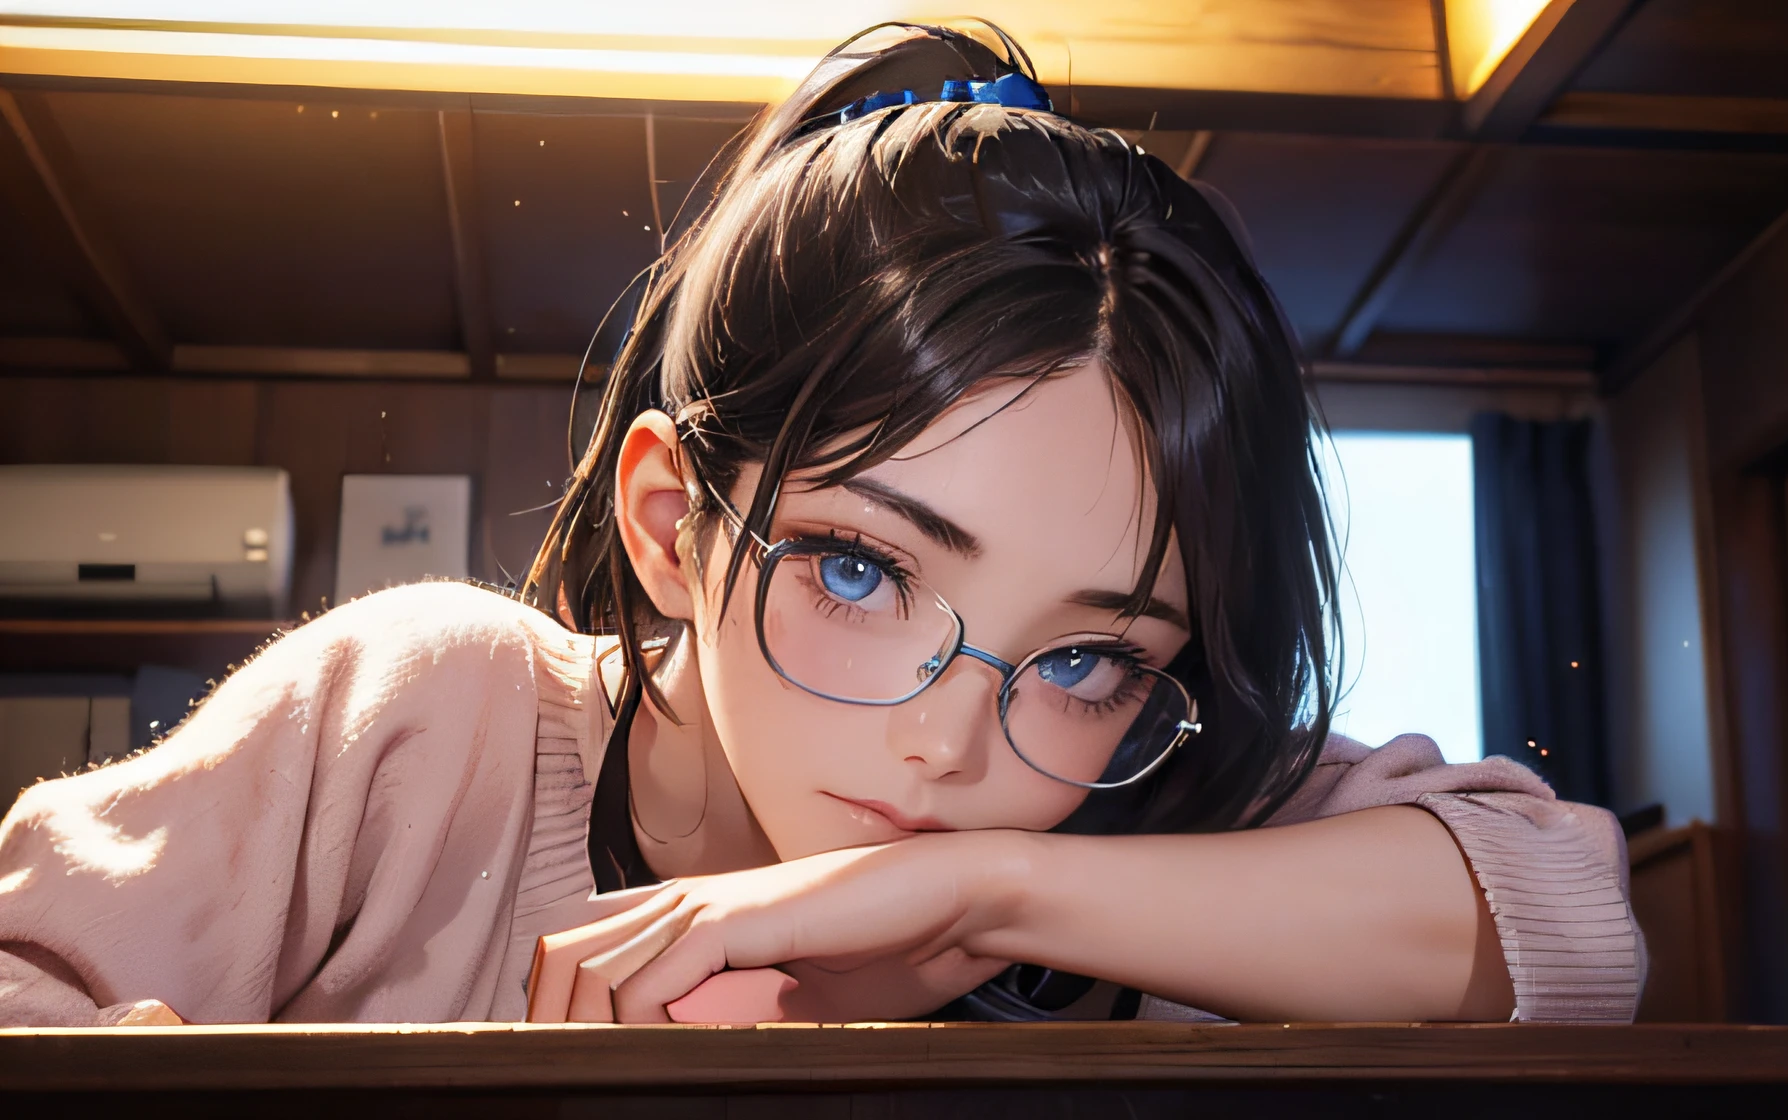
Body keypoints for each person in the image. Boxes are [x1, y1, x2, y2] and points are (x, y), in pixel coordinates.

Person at [0, 24, 1641, 1028]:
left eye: (1085, 652)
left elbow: (1566, 928)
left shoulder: (1139, 801)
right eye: (861, 570)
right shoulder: (436, 722)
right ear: (670, 525)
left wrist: (982, 894)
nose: (948, 748)